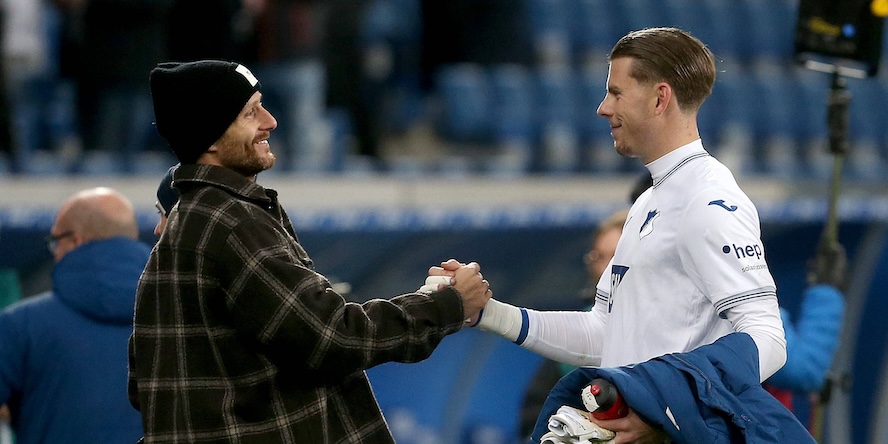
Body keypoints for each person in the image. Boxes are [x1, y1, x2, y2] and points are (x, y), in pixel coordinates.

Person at [434, 27, 790, 443]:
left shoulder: (708, 201)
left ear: (660, 98)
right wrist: (487, 313)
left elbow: (768, 339)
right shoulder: (646, 203)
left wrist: (667, 413)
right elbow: (602, 335)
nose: (603, 108)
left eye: (616, 93)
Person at [128, 59, 492, 443]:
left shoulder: (189, 219)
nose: (270, 121)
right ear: (211, 137)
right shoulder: (232, 222)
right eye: (251, 112)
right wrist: (446, 306)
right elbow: (332, 338)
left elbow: (145, 386)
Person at [0, 187, 149, 443]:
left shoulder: (20, 324)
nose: (55, 251)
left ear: (75, 241)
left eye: (56, 241)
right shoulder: (181, 321)